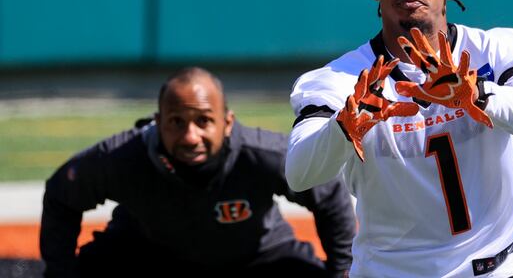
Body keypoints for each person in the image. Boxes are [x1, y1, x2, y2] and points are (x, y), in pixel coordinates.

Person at [285, 0, 513, 277]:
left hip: (498, 267)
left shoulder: (496, 51)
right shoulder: (341, 81)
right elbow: (299, 173)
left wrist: (477, 95)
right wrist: (344, 128)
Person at [40, 67, 355, 278]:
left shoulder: (263, 155)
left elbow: (329, 195)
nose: (190, 137)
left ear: (227, 123)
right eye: (176, 122)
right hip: (147, 256)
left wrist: (342, 272)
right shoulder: (124, 157)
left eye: (203, 121)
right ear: (158, 121)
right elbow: (61, 193)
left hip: (256, 258)